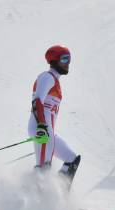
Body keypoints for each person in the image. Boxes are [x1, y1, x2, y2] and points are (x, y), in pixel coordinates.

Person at [29, 44, 81, 184]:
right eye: (64, 59)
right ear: (54, 60)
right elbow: (37, 101)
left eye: (69, 59)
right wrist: (41, 126)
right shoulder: (47, 77)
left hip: (47, 130)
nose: (68, 63)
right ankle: (27, 200)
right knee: (43, 169)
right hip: (42, 129)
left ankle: (59, 200)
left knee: (72, 159)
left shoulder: (54, 80)